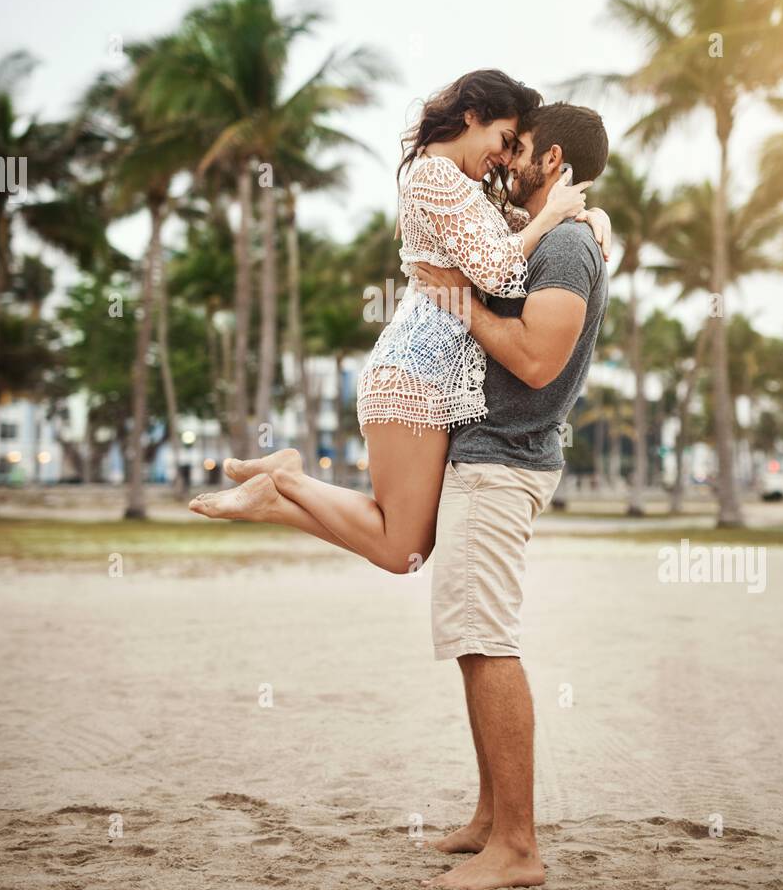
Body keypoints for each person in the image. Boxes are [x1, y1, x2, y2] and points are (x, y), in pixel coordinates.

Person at [188, 71, 609, 572]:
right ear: (472, 116)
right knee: (400, 548)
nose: (504, 156)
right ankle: (287, 483)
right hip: (413, 373)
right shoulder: (434, 175)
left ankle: (279, 491)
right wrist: (550, 217)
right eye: (504, 140)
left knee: (408, 545)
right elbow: (497, 267)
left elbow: (530, 231)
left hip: (431, 376)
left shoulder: (470, 191)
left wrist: (593, 216)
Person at [411, 100, 610, 890]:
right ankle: (491, 819)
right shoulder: (554, 233)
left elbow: (534, 360)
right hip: (489, 455)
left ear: (550, 159)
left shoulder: (564, 245)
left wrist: (458, 301)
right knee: (470, 638)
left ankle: (518, 849)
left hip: (504, 460)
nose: (503, 159)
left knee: (488, 638)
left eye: (516, 148)